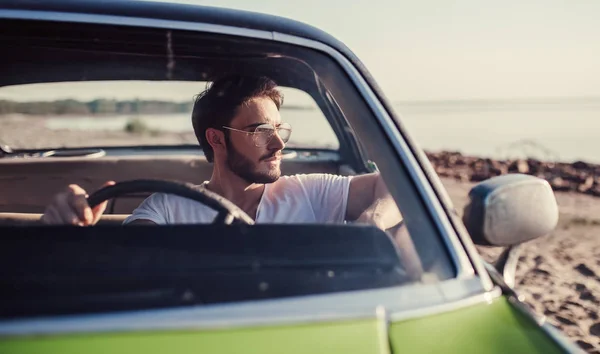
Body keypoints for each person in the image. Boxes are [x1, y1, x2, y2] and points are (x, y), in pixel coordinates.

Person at [40, 75, 402, 229]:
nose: (279, 144)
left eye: (280, 130)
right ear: (216, 139)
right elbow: (134, 261)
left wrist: (372, 221)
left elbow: (397, 183)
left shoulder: (309, 191)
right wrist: (71, 229)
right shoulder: (167, 208)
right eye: (261, 131)